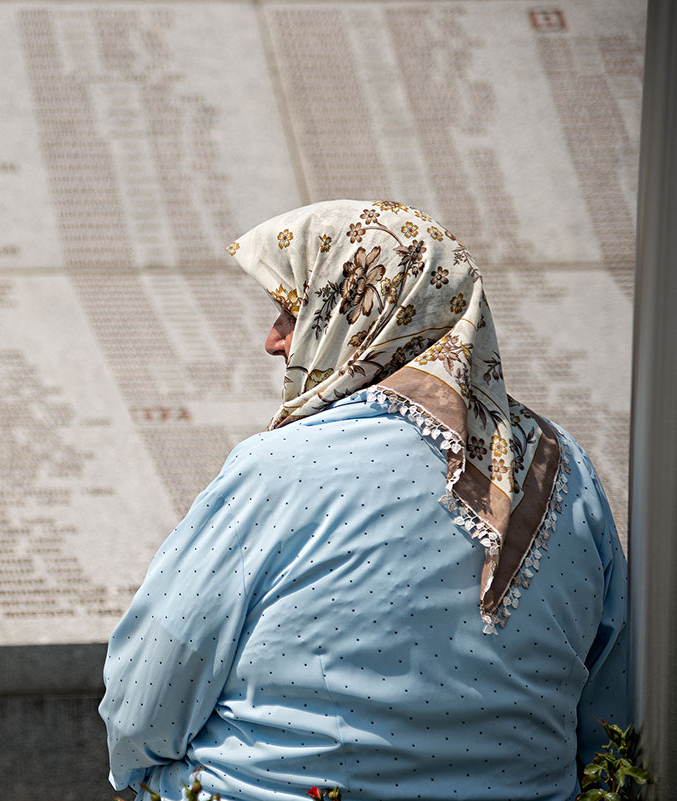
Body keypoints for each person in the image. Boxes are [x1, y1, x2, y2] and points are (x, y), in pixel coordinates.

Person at [99, 200, 628, 801]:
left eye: (293, 311)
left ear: (365, 312)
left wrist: (145, 776)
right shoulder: (565, 467)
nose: (273, 341)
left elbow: (145, 700)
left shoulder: (280, 469)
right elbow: (613, 713)